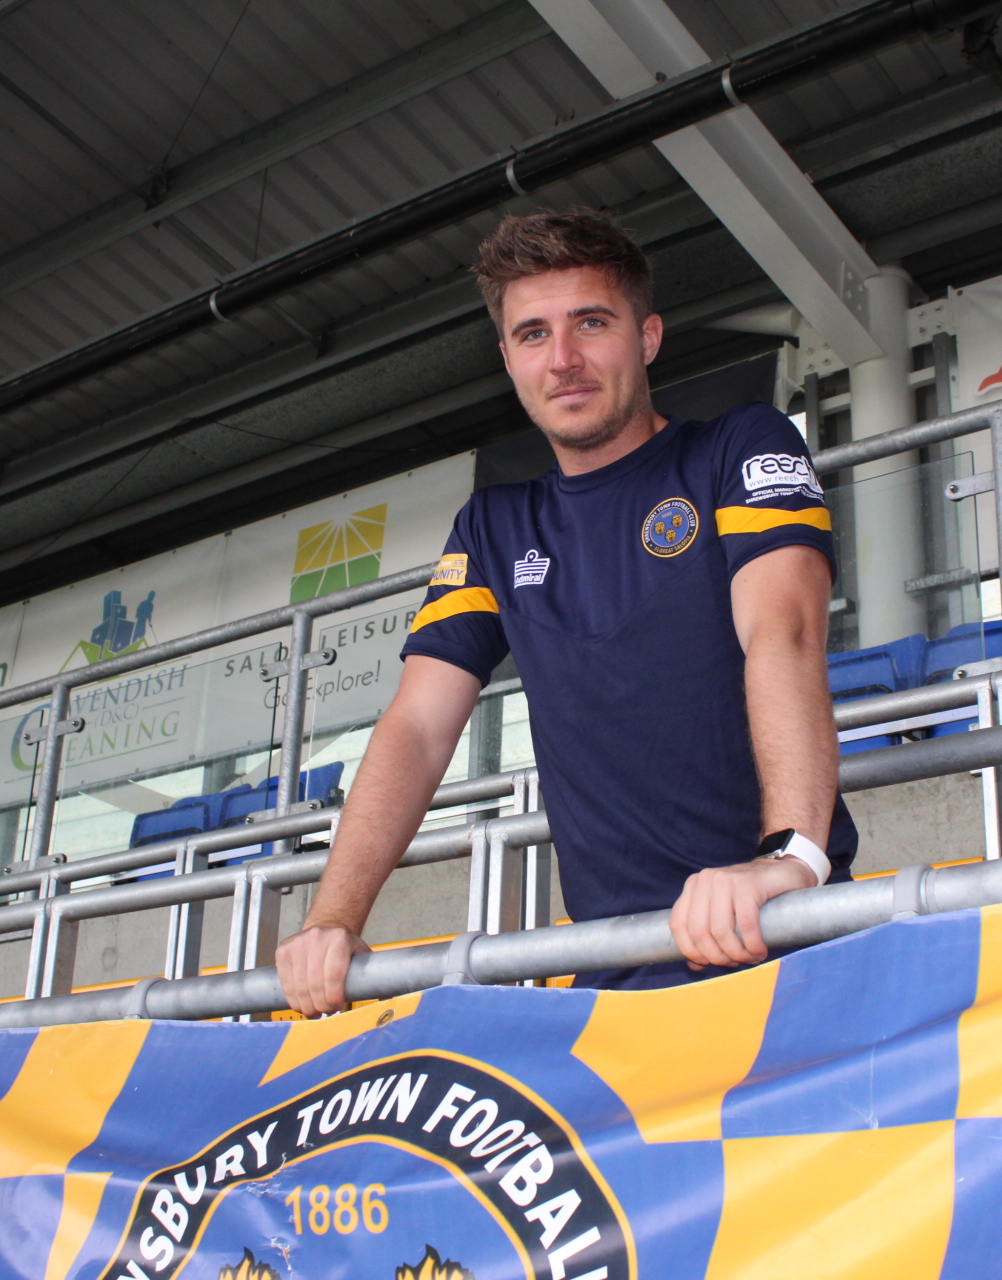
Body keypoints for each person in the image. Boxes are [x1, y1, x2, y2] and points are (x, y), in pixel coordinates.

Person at [277, 208, 856, 1015]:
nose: (564, 360)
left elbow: (783, 633)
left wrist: (788, 859)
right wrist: (333, 918)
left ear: (647, 337)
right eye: (533, 334)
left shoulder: (738, 447)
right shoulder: (491, 526)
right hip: (611, 977)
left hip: (778, 936)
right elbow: (417, 726)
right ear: (508, 358)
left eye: (591, 322)